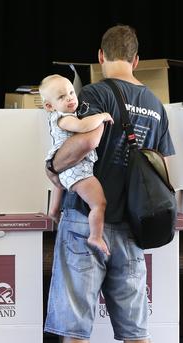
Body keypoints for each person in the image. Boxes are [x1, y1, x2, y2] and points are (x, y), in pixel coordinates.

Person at [44, 25, 175, 343]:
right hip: (133, 225)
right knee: (136, 329)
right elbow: (163, 167)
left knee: (75, 328)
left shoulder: (94, 95)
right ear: (136, 59)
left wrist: (52, 164)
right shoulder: (156, 105)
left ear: (101, 56)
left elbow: (86, 141)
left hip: (84, 225)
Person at [40, 74, 113, 255]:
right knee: (99, 203)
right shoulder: (64, 118)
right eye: (61, 97)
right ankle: (95, 236)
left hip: (65, 167)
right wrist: (102, 116)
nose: (70, 98)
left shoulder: (60, 115)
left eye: (72, 93)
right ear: (49, 106)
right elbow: (82, 126)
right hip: (77, 169)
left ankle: (54, 211)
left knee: (60, 184)